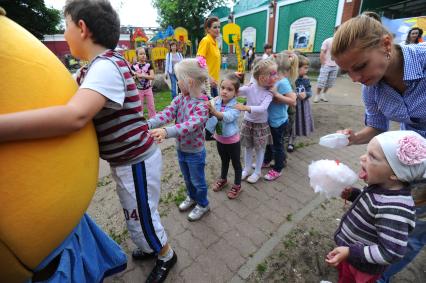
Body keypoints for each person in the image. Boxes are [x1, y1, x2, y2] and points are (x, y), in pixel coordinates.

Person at [0, 1, 177, 282]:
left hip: (136, 162)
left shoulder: (107, 67)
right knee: (135, 214)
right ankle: (149, 243)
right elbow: (65, 86)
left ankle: (166, 255)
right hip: (127, 162)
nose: (64, 32)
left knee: (142, 215)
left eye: (65, 26)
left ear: (81, 28)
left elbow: (74, 116)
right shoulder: (92, 69)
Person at [331, 14, 426, 283]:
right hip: (410, 158)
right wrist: (351, 138)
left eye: (359, 66)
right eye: (347, 71)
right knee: (399, 220)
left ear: (386, 44)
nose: (354, 78)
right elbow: (378, 127)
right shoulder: (371, 89)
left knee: (416, 229)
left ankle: (381, 277)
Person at [326, 130, 425, 283]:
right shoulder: (383, 187)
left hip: (363, 268)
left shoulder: (396, 211)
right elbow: (373, 207)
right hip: (352, 257)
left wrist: (351, 252)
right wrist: (353, 195)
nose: (362, 158)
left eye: (372, 156)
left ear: (395, 174)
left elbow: (391, 252)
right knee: (344, 277)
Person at [148, 57, 211, 221]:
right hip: (181, 149)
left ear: (189, 82)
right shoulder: (180, 99)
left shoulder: (203, 105)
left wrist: (165, 131)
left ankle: (203, 204)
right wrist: (148, 124)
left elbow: (189, 125)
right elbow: (166, 113)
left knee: (198, 181)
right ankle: (192, 197)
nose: (177, 84)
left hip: (195, 153)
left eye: (178, 80)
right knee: (188, 178)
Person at [234, 58, 278, 184]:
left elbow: (262, 108)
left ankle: (257, 171)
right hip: (248, 123)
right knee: (247, 147)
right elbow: (236, 91)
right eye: (273, 74)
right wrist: (235, 78)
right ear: (262, 77)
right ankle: (247, 169)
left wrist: (246, 107)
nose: (276, 77)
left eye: (275, 73)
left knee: (260, 149)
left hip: (261, 125)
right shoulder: (250, 87)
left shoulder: (269, 92)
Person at [206, 74, 243, 199]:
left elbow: (228, 117)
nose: (225, 91)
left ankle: (237, 185)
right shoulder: (216, 101)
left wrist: (215, 112)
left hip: (232, 141)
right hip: (219, 138)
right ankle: (223, 179)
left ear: (236, 93)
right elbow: (209, 105)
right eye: (223, 88)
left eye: (229, 89)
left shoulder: (236, 106)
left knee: (236, 163)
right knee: (224, 161)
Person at [262, 52, 297, 181]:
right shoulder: (275, 80)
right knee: (268, 143)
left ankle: (278, 168)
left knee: (278, 146)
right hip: (270, 120)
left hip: (279, 122)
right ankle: (266, 161)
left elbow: (293, 100)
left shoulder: (283, 82)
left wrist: (277, 95)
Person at [197, 16, 221, 98]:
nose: (218, 29)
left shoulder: (215, 42)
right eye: (215, 27)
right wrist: (209, 78)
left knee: (214, 108)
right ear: (208, 29)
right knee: (210, 108)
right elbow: (199, 60)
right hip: (207, 83)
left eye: (219, 27)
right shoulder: (206, 41)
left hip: (214, 82)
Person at [313, 26, 339, 103]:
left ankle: (323, 94)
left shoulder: (342, 42)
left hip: (335, 65)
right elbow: (322, 52)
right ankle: (317, 95)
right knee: (321, 81)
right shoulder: (328, 41)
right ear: (335, 31)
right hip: (326, 65)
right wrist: (323, 63)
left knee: (330, 82)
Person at [132, 47, 156, 118]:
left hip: (148, 89)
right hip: (139, 90)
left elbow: (152, 77)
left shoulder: (149, 65)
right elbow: (132, 77)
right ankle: (140, 121)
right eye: (141, 54)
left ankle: (153, 121)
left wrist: (142, 75)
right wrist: (135, 77)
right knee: (140, 107)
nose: (143, 55)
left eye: (144, 54)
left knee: (151, 106)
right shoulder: (134, 66)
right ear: (137, 55)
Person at [293, 55, 314, 138]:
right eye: (305, 68)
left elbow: (310, 92)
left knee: (299, 121)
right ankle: (290, 137)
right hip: (293, 104)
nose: (307, 70)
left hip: (302, 106)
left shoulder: (306, 79)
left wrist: (306, 94)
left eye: (307, 68)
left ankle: (293, 138)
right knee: (293, 121)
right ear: (297, 68)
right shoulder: (291, 79)